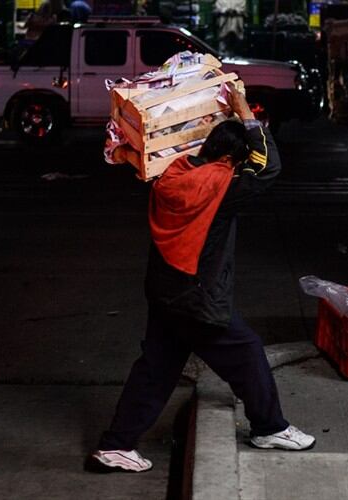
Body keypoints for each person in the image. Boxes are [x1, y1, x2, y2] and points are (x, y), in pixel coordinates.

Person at [86, 88, 315, 474]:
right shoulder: (222, 187)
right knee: (247, 353)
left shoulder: (173, 173)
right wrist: (245, 111)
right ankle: (269, 427)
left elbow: (146, 158)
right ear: (229, 159)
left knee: (156, 369)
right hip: (196, 297)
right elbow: (269, 168)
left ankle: (116, 445)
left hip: (164, 290)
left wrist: (122, 150)